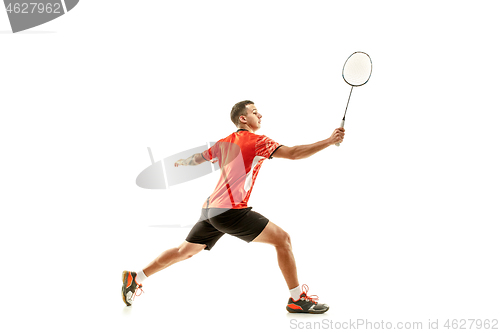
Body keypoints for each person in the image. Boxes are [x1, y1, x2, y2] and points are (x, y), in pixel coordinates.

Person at [122, 100, 345, 313]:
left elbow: (198, 159)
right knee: (283, 239)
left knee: (184, 251)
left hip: (210, 210)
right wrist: (328, 141)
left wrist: (178, 163)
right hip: (230, 211)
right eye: (255, 111)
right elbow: (294, 154)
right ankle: (297, 300)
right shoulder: (258, 141)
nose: (260, 114)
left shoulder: (224, 142)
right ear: (243, 118)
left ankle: (136, 277)